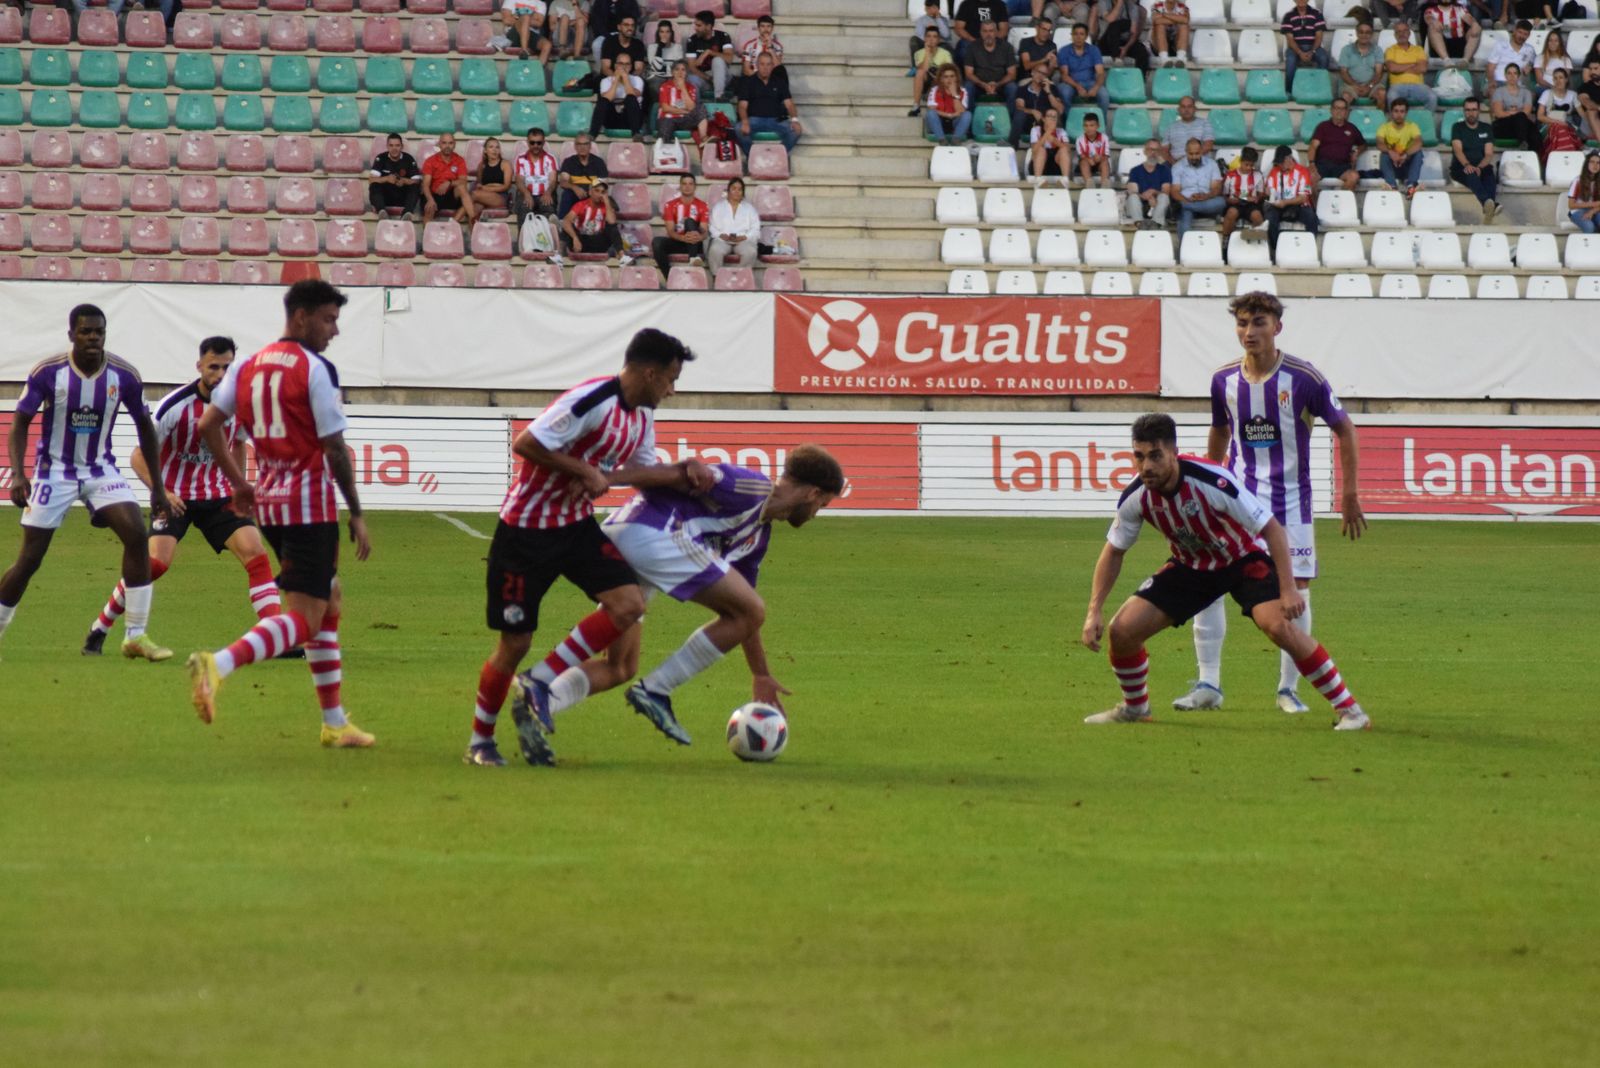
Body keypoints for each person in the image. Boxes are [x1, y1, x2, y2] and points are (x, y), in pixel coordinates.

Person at [507, 448, 845, 760]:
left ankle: (540, 700)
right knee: (750, 609)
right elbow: (675, 475)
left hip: (630, 543)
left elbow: (743, 614)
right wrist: (607, 479)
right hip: (651, 535)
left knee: (620, 666)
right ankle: (656, 690)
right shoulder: (751, 487)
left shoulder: (757, 537)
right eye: (823, 504)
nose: (817, 513)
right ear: (814, 493)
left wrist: (760, 673)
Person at [464, 329, 696, 767]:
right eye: (670, 379)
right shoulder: (591, 400)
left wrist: (686, 474)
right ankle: (480, 740)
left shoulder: (642, 416)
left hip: (574, 528)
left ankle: (540, 680)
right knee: (514, 642)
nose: (672, 389)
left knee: (628, 604)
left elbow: (641, 471)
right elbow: (526, 443)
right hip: (525, 533)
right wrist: (583, 470)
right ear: (649, 373)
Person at [1083, 413, 1370, 732]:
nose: (1146, 466)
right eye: (1139, 456)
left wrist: (1288, 589)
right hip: (1191, 567)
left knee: (1278, 628)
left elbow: (1272, 529)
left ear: (1173, 452)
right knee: (1121, 631)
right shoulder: (1136, 497)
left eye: (1155, 456)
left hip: (1243, 559)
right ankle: (1136, 708)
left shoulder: (1213, 481)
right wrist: (1093, 610)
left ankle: (1351, 710)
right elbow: (1114, 550)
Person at [186, 281, 374, 747]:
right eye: (329, 319)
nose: (334, 330)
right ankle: (219, 663)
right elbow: (334, 447)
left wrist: (240, 482)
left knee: (328, 601)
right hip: (309, 505)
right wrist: (355, 511)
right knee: (306, 620)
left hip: (269, 502)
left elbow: (208, 424)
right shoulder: (315, 368)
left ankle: (334, 724)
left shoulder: (248, 366)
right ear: (302, 316)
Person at [1170, 293, 1366, 718]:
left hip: (1290, 505)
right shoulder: (1223, 380)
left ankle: (1288, 689)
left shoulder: (1304, 378)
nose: (1249, 332)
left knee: (1294, 594)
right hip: (1236, 503)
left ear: (1277, 327)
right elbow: (1220, 432)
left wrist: (1349, 494)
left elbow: (1345, 429)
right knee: (1209, 583)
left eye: (1258, 322)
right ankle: (1208, 684)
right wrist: (1210, 481)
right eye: (1242, 323)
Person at [82, 337, 286, 657]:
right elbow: (138, 456)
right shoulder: (175, 406)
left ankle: (274, 637)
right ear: (199, 367)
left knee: (256, 555)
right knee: (154, 565)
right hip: (174, 498)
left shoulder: (242, 404)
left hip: (218, 496)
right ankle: (100, 627)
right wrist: (161, 492)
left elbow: (236, 445)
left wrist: (238, 485)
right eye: (213, 367)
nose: (220, 374)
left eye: (227, 367)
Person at [0, 305, 172, 662]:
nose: (93, 337)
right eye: (86, 331)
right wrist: (19, 473)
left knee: (138, 535)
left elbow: (145, 428)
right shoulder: (49, 373)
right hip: (54, 472)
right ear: (71, 335)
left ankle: (135, 636)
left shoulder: (124, 375)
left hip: (100, 470)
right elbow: (20, 422)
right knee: (30, 559)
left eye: (99, 332)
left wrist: (157, 485)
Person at [735, 51, 802, 157]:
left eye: (768, 64)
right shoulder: (748, 82)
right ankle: (752, 156)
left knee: (796, 131)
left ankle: (778, 156)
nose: (765, 68)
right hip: (754, 120)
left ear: (772, 66)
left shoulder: (779, 82)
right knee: (739, 129)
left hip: (776, 120)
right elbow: (742, 106)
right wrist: (745, 121)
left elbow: (789, 104)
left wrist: (794, 120)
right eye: (762, 64)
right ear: (757, 65)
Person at [554, 179, 630, 265]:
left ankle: (622, 257)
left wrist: (606, 201)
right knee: (567, 226)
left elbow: (612, 222)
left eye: (603, 192)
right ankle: (559, 256)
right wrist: (575, 238)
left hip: (598, 242)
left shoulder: (606, 207)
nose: (599, 194)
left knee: (612, 227)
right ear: (590, 192)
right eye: (596, 191)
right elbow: (566, 221)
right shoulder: (581, 205)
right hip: (580, 242)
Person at [1263, 145, 1317, 261]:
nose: (1280, 165)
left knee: (1311, 217)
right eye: (1278, 163)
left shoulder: (1303, 172)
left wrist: (1286, 202)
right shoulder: (1274, 171)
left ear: (1289, 159)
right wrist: (1269, 194)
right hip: (1279, 205)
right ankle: (1276, 249)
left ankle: (1310, 249)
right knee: (1270, 218)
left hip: (1297, 205)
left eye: (1281, 162)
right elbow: (1270, 190)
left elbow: (1304, 197)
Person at [1450, 97, 1499, 221]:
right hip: (1461, 167)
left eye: (1473, 110)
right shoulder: (1457, 127)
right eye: (1467, 110)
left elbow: (1488, 154)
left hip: (1480, 165)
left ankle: (1489, 206)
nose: (1470, 113)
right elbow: (1458, 150)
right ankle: (1488, 204)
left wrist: (1480, 167)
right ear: (1464, 111)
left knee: (1489, 173)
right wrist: (1467, 165)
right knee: (1471, 173)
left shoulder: (1486, 128)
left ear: (1479, 111)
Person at [1167, 136, 1225, 237]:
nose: (1194, 157)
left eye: (1197, 153)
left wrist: (1205, 196)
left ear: (1202, 151)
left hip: (1207, 203)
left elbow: (1217, 188)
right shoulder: (1177, 167)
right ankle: (1183, 251)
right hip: (1186, 199)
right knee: (1185, 215)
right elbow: (1175, 191)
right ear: (1186, 152)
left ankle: (1182, 207)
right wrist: (1187, 200)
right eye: (1191, 154)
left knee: (1221, 202)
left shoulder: (1212, 164)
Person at [653, 173, 709, 274]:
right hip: (679, 241)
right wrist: (683, 238)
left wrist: (697, 238)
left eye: (690, 184)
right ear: (680, 186)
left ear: (695, 187)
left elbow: (704, 232)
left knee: (689, 221)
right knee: (657, 242)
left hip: (696, 244)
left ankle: (693, 258)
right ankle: (669, 277)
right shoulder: (670, 205)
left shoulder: (702, 205)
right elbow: (670, 231)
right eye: (684, 184)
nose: (687, 187)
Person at [1218, 145, 1267, 254]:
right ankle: (1227, 242)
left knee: (1257, 216)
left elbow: (1260, 194)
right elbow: (1225, 195)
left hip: (1251, 205)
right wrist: (1231, 200)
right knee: (1231, 213)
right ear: (1241, 161)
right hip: (1234, 203)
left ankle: (1255, 243)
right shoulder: (1230, 175)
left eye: (1252, 165)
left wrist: (1256, 198)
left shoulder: (1258, 176)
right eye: (1247, 164)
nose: (1249, 167)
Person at [1309, 97, 1365, 190]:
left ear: (1347, 112)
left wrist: (1357, 151)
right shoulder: (1323, 126)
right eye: (1336, 108)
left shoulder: (1352, 128)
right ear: (1331, 110)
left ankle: (1341, 202)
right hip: (1322, 165)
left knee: (1354, 176)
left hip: (1342, 166)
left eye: (1342, 109)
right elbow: (1313, 146)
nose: (1339, 111)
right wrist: (1311, 163)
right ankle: (1315, 204)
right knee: (1309, 177)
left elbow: (1363, 144)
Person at [708, 177, 760, 274]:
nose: (736, 192)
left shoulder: (749, 208)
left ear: (743, 192)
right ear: (728, 191)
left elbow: (755, 228)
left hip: (743, 240)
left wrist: (745, 236)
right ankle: (717, 277)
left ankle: (742, 276)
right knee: (715, 250)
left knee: (751, 252)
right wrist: (720, 235)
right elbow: (711, 226)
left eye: (739, 189)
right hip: (723, 240)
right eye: (734, 188)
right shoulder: (718, 207)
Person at [422, 134, 478, 224]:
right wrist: (430, 199)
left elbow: (463, 181)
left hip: (451, 195)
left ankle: (470, 220)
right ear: (439, 144)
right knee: (429, 208)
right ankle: (428, 236)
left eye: (450, 143)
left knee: (462, 188)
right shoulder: (430, 161)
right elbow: (425, 185)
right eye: (444, 143)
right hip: (435, 194)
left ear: (454, 144)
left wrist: (449, 183)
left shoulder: (459, 160)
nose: (447, 146)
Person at [963, 20, 1019, 109]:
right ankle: (970, 119)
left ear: (996, 32)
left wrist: (997, 84)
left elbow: (1012, 74)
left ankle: (1010, 120)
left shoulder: (1007, 47)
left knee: (1012, 88)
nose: (988, 34)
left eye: (991, 31)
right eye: (985, 31)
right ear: (980, 32)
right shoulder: (972, 47)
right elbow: (968, 74)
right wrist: (983, 85)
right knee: (968, 86)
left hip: (1001, 86)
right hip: (979, 85)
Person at [1057, 22, 1110, 116]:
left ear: (1086, 36)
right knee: (1064, 93)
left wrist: (1095, 88)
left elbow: (1100, 73)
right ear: (1072, 36)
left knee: (1104, 95)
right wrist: (1078, 87)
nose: (1078, 37)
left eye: (1082, 34)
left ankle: (1102, 125)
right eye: (1076, 34)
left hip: (1090, 82)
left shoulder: (1094, 50)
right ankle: (1068, 123)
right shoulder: (1064, 51)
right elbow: (1064, 75)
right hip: (1071, 83)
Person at [684, 9, 737, 102]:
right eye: (695, 24)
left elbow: (729, 59)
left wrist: (709, 52)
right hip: (704, 77)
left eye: (699, 25)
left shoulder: (723, 36)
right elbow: (692, 67)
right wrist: (708, 78)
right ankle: (697, 109)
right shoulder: (692, 40)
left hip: (723, 77)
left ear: (708, 26)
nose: (695, 28)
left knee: (717, 60)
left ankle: (719, 97)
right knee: (691, 78)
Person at [591, 51, 646, 140]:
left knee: (630, 98)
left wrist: (625, 78)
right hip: (612, 119)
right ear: (615, 65)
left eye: (627, 64)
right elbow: (608, 98)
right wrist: (616, 79)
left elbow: (632, 94)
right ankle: (592, 134)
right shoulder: (605, 81)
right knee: (603, 101)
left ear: (631, 67)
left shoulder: (637, 80)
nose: (624, 67)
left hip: (631, 119)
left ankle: (636, 133)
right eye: (621, 64)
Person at [1376, 98, 1425, 196]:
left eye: (1402, 111)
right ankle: (1392, 186)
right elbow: (1379, 143)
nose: (1399, 115)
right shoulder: (1384, 127)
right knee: (1384, 154)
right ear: (1391, 112)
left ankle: (1411, 185)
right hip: (1392, 168)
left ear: (1406, 113)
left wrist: (1405, 155)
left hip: (1407, 166)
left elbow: (1418, 142)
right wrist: (1391, 152)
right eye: (1396, 111)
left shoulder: (1412, 126)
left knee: (1418, 153)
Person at [1491, 63, 1543, 153]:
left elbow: (1526, 112)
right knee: (1521, 118)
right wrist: (1518, 112)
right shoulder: (1498, 92)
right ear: (1505, 75)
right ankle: (1523, 142)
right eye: (1509, 73)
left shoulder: (1526, 92)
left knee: (1531, 130)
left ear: (1518, 76)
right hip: (1504, 125)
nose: (1512, 76)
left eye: (1515, 73)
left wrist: (1509, 112)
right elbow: (1499, 113)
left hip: (1521, 124)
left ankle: (1530, 153)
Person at [1384, 20, 1436, 111]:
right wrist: (1413, 64)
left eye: (1404, 31)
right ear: (1395, 35)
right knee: (1391, 97)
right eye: (1398, 31)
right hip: (1397, 86)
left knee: (1432, 97)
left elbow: (1423, 68)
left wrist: (1399, 68)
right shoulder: (1390, 50)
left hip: (1418, 85)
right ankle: (1395, 124)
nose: (1402, 34)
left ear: (1409, 33)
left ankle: (1426, 122)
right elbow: (1392, 68)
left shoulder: (1418, 49)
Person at [367, 133, 422, 218]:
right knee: (374, 185)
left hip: (402, 197)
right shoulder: (381, 158)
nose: (394, 148)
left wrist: (404, 181)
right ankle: (382, 212)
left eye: (397, 145)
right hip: (386, 197)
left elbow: (417, 181)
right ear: (387, 146)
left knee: (415, 186)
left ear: (402, 146)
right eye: (391, 145)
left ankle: (407, 214)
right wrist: (386, 178)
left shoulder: (409, 159)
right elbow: (371, 179)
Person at [1091, 0, 1151, 74]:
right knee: (1115, 25)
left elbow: (1134, 32)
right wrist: (1119, 3)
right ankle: (1117, 58)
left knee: (1141, 50)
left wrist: (1126, 47)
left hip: (1124, 41)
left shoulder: (1131, 6)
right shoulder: (1103, 2)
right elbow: (1110, 19)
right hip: (1106, 42)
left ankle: (1141, 80)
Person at [1337, 21, 1387, 110]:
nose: (1364, 35)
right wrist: (1355, 85)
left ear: (1372, 34)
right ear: (1357, 33)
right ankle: (1345, 123)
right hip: (1351, 85)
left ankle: (1380, 122)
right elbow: (1343, 72)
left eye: (1368, 32)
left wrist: (1369, 86)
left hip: (1372, 85)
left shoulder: (1377, 50)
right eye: (1361, 32)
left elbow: (1378, 73)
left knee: (1382, 93)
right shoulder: (1346, 50)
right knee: (1345, 97)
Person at [1280, 0, 1331, 86]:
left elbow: (1319, 37)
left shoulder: (1316, 13)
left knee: (1323, 57)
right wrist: (1300, 52)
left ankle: (1321, 87)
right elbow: (1290, 39)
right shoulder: (1288, 16)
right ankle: (1289, 90)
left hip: (1313, 47)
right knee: (1290, 60)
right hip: (1295, 48)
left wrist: (1312, 51)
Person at [556, 133, 608, 217]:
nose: (582, 147)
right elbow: (563, 182)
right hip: (575, 194)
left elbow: (603, 185)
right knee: (567, 194)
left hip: (593, 194)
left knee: (603, 196)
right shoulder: (569, 162)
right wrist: (575, 187)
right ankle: (562, 223)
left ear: (590, 146)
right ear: (575, 146)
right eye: (579, 144)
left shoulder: (599, 162)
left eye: (585, 144)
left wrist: (591, 191)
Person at [658, 60, 710, 143]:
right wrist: (684, 111)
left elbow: (692, 107)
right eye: (677, 69)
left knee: (701, 107)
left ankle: (704, 137)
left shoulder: (691, 87)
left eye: (683, 69)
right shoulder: (665, 86)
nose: (680, 72)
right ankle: (664, 150)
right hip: (669, 119)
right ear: (672, 72)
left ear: (686, 73)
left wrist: (683, 88)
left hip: (685, 120)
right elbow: (665, 108)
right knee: (665, 126)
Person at [1123, 138, 1172, 226]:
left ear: (1160, 153)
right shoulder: (1135, 170)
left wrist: (1153, 192)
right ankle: (1139, 224)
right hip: (1140, 205)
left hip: (1157, 205)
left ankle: (1156, 224)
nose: (1153, 153)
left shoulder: (1165, 170)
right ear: (1145, 151)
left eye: (1156, 150)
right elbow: (1133, 191)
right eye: (1150, 149)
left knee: (1164, 197)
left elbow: (1166, 190)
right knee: (1133, 197)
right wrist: (1146, 197)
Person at [911, 25, 958, 118]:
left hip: (940, 81)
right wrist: (928, 53)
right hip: (926, 81)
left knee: (948, 76)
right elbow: (923, 69)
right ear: (924, 38)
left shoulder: (945, 53)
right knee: (919, 72)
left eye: (934, 36)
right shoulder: (918, 53)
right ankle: (916, 106)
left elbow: (949, 72)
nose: (931, 39)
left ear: (938, 40)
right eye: (928, 36)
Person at [514, 127, 559, 221]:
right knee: (524, 211)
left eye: (539, 143)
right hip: (526, 193)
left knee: (549, 211)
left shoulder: (550, 158)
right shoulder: (520, 159)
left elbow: (553, 180)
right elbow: (519, 181)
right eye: (532, 142)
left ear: (543, 143)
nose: (535, 145)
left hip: (545, 194)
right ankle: (523, 235)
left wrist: (548, 192)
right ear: (527, 142)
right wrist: (526, 194)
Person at [926, 63, 975, 144]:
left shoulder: (963, 91)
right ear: (941, 79)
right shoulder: (934, 90)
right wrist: (949, 115)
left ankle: (956, 139)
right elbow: (932, 109)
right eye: (946, 77)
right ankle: (941, 139)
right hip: (939, 122)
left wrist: (954, 94)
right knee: (931, 114)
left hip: (955, 123)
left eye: (952, 76)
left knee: (968, 114)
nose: (949, 80)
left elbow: (961, 111)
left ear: (956, 78)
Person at [1010, 61, 1057, 145]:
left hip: (1046, 125)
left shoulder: (1052, 89)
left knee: (1053, 116)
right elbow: (1019, 107)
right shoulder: (1022, 89)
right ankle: (1012, 145)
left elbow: (1060, 109)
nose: (1041, 75)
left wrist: (1049, 92)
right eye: (1039, 72)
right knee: (1019, 114)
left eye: (1044, 74)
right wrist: (1032, 111)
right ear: (1032, 72)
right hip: (1027, 124)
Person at [1423, 0, 1481, 66]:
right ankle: (1446, 60)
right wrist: (1434, 21)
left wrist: (1474, 24)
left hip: (1459, 43)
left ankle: (1465, 60)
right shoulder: (1431, 10)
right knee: (1432, 27)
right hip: (1441, 45)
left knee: (1476, 28)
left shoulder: (1460, 9)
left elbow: (1469, 18)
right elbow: (1429, 18)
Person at [953, 1, 1011, 66]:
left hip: (994, 41)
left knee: (1007, 50)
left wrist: (991, 42)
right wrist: (976, 42)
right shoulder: (966, 4)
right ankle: (965, 75)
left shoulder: (1000, 4)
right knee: (962, 51)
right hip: (971, 41)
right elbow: (959, 28)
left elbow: (1004, 30)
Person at [1160, 96, 1214, 164]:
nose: (1186, 109)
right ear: (1178, 109)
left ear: (1195, 109)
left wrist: (1189, 159)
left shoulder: (1205, 123)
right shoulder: (1171, 127)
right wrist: (1174, 163)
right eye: (1183, 107)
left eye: (1190, 106)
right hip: (1176, 164)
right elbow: (1164, 150)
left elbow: (1208, 146)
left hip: (1199, 163)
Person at [1485, 19, 1536, 89]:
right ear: (1515, 31)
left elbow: (1533, 62)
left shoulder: (1530, 50)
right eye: (1520, 32)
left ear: (1529, 35)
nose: (1522, 36)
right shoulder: (1500, 46)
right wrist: (1492, 82)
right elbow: (1490, 67)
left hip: (1518, 84)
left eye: (1525, 34)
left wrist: (1530, 66)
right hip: (1499, 82)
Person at [1028, 107, 1073, 184]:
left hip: (1056, 166)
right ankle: (1038, 180)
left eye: (1054, 117)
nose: (1052, 119)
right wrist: (1048, 132)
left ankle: (1065, 179)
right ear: (1044, 119)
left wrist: (1053, 139)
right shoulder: (1035, 130)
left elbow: (1067, 150)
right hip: (1038, 165)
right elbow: (1034, 150)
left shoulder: (1061, 131)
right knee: (1041, 150)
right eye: (1049, 116)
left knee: (1064, 149)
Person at [472, 137, 513, 215]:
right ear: (485, 151)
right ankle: (474, 226)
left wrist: (486, 188)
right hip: (484, 195)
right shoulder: (481, 166)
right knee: (474, 210)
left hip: (500, 196)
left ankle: (455, 220)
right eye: (491, 147)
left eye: (497, 147)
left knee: (473, 195)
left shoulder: (505, 164)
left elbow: (506, 186)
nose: (495, 150)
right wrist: (482, 188)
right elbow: (480, 185)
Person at [598, 13, 647, 78]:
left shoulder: (638, 44)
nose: (630, 28)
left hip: (630, 79)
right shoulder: (609, 42)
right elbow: (605, 68)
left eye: (632, 25)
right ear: (619, 27)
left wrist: (627, 81)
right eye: (626, 25)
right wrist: (618, 80)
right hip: (610, 78)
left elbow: (638, 69)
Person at [645, 19, 684, 97]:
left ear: (671, 33)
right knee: (655, 83)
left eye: (667, 32)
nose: (664, 35)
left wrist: (666, 70)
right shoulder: (652, 47)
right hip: (657, 77)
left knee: (678, 82)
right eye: (661, 32)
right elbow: (656, 68)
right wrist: (660, 47)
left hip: (673, 76)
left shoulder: (677, 47)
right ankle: (658, 107)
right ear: (658, 34)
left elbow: (679, 67)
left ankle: (677, 106)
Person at [910, 0, 954, 67]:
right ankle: (915, 67)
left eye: (931, 8)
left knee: (946, 47)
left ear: (937, 8)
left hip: (940, 45)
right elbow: (920, 36)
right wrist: (930, 39)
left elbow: (946, 35)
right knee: (913, 40)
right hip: (925, 43)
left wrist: (938, 19)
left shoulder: (943, 20)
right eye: (927, 8)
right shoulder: (921, 20)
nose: (928, 10)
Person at [1017, 17, 1060, 82]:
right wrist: (1044, 59)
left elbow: (1048, 74)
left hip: (1044, 80)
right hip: (1027, 79)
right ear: (1037, 28)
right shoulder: (1025, 42)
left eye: (1049, 30)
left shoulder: (1052, 46)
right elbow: (1026, 65)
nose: (1046, 33)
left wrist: (1052, 66)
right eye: (1044, 29)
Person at [1076, 111, 1112, 186]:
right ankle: (1089, 184)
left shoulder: (1104, 138)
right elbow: (1081, 155)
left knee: (1105, 162)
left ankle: (1104, 185)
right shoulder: (1080, 139)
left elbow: (1106, 155)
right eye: (1086, 125)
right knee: (1083, 162)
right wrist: (1089, 159)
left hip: (1100, 163)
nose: (1088, 128)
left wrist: (1100, 158)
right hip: (1087, 162)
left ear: (1097, 126)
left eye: (1091, 125)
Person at [1150, 0, 1191, 68]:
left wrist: (1164, 14)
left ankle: (1180, 59)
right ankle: (1164, 59)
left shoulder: (1182, 6)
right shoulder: (1158, 5)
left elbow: (1186, 20)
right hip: (1157, 46)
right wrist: (1177, 18)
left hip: (1175, 44)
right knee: (1160, 26)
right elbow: (1156, 20)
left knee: (1184, 26)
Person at [1568, 150, 1600, 232]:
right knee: (1589, 227)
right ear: (1587, 164)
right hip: (1577, 211)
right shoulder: (1578, 180)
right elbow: (1571, 205)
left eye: (1598, 163)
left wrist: (1592, 211)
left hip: (1596, 209)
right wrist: (1593, 204)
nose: (1595, 165)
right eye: (1592, 162)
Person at [1577, 60, 1600, 146]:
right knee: (1591, 111)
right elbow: (1585, 101)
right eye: (1590, 69)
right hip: (1590, 123)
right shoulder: (1585, 87)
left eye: (1595, 68)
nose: (1592, 71)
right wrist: (1598, 107)